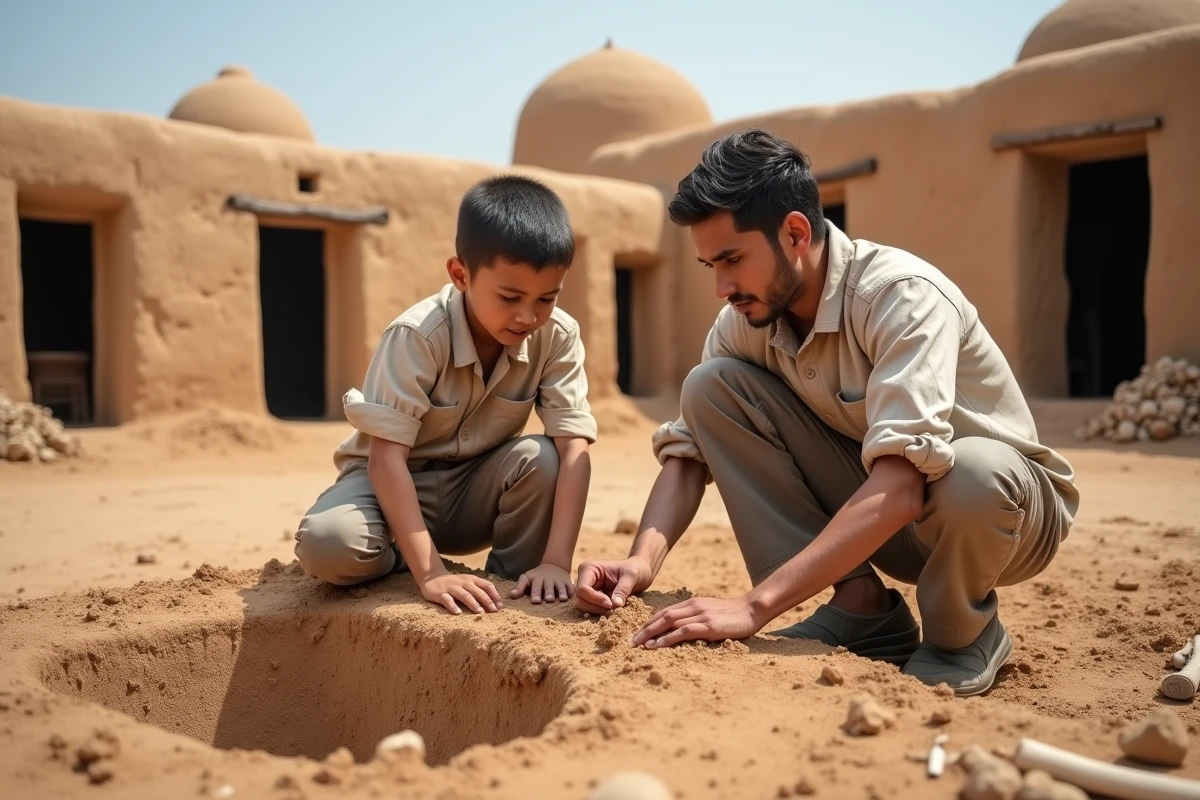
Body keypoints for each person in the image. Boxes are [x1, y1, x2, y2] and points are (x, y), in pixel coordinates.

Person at [574, 129, 1080, 697]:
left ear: (794, 232)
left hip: (1001, 516)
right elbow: (690, 453)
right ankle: (863, 610)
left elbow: (905, 482)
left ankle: (963, 635)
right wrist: (641, 562)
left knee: (974, 471)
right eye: (709, 265)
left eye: (733, 259)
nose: (721, 286)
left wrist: (753, 606)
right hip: (886, 521)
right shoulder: (746, 320)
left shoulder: (900, 297)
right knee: (710, 387)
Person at [295, 175, 597, 615]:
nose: (528, 315)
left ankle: (511, 578)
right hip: (390, 489)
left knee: (544, 457)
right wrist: (432, 573)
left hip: (474, 493)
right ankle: (404, 559)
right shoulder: (417, 335)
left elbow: (574, 451)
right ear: (460, 274)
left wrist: (556, 562)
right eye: (510, 296)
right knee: (328, 544)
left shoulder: (558, 335)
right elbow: (385, 459)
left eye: (547, 298)